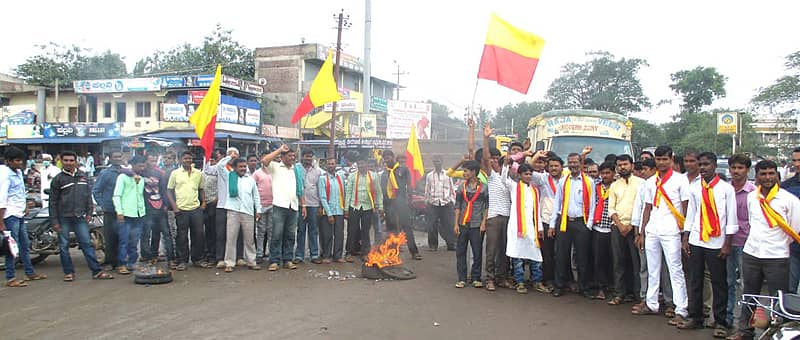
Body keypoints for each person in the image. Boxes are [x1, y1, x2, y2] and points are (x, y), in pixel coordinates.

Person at [729, 160, 800, 340]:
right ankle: (745, 331)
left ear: (777, 175)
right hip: (752, 253)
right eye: (763, 174)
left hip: (777, 256)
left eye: (771, 174)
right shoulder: (753, 197)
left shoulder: (788, 200)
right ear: (757, 175)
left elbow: (794, 228)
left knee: (778, 299)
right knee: (749, 295)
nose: (767, 178)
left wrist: (777, 243)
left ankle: (776, 333)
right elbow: (752, 223)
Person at [679, 152, 737, 338]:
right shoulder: (695, 188)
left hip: (717, 241)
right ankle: (695, 317)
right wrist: (686, 237)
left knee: (719, 282)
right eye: (701, 164)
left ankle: (720, 321)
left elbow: (731, 217)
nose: (703, 168)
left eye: (707, 164)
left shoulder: (726, 189)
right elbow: (692, 214)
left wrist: (727, 243)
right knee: (695, 279)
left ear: (714, 166)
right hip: (697, 238)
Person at [632, 145, 690, 328]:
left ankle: (681, 309)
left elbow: (686, 207)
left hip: (672, 230)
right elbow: (647, 208)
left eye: (665, 159)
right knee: (652, 268)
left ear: (671, 159)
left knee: (675, 269)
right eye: (659, 159)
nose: (662, 162)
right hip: (652, 229)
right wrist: (642, 232)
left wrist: (685, 235)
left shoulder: (681, 180)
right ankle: (651, 303)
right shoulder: (650, 182)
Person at [549, 147, 595, 297]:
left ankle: (584, 287)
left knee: (582, 257)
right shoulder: (563, 181)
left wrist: (588, 225)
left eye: (576, 162)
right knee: (561, 255)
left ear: (581, 163)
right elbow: (557, 203)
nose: (573, 165)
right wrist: (552, 224)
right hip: (564, 222)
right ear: (567, 165)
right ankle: (559, 285)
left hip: (582, 222)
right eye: (570, 163)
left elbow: (593, 204)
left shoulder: (589, 182)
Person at [1, 147, 47, 287]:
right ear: (8, 161)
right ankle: (10, 277)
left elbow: (20, 192)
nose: (20, 163)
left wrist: (26, 206)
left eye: (21, 160)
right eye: (17, 160)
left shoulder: (18, 172)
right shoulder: (4, 174)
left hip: (19, 213)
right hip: (9, 215)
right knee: (11, 247)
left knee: (25, 245)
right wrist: (1, 221)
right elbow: (2, 198)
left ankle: (30, 272)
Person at [504, 162, 547, 294]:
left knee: (536, 256)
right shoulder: (514, 187)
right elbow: (503, 178)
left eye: (530, 174)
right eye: (525, 174)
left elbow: (537, 211)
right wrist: (506, 164)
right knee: (518, 256)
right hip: (517, 228)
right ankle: (520, 282)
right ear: (519, 175)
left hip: (532, 228)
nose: (528, 176)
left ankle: (537, 282)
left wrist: (539, 228)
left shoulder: (535, 190)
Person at [607, 154, 644, 306]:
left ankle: (638, 295)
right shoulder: (614, 185)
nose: (622, 167)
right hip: (618, 227)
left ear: (632, 165)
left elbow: (643, 207)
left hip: (635, 228)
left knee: (637, 263)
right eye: (620, 165)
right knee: (619, 261)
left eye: (625, 164)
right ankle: (619, 293)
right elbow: (611, 208)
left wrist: (631, 226)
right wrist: (621, 226)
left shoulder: (641, 183)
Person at [725, 154, 755, 330]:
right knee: (728, 281)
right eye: (733, 168)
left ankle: (745, 323)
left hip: (747, 243)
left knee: (746, 284)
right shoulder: (724, 190)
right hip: (726, 243)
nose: (736, 171)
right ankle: (727, 317)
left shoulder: (753, 192)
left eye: (740, 168)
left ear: (747, 170)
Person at [480, 125, 512, 291]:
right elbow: (485, 157)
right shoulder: (491, 177)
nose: (492, 160)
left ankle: (502, 277)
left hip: (508, 217)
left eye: (495, 158)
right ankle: (490, 278)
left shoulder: (508, 176)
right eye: (490, 158)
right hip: (493, 217)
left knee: (505, 250)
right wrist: (486, 138)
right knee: (491, 250)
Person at [262, 145, 303, 271]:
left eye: (293, 156)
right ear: (283, 157)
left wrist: (303, 204)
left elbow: (300, 189)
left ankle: (287, 260)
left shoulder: (295, 169)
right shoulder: (275, 167)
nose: (292, 158)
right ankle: (274, 260)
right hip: (280, 205)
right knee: (277, 234)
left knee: (290, 235)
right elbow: (264, 160)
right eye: (289, 156)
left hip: (293, 205)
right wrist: (280, 150)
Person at [529, 151, 566, 289]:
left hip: (562, 221)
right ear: (547, 167)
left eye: (556, 166)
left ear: (562, 167)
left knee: (561, 252)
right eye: (551, 166)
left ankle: (562, 280)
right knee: (547, 253)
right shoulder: (543, 178)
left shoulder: (566, 179)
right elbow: (528, 168)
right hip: (545, 220)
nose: (553, 168)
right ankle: (548, 280)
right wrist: (536, 156)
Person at [167, 151, 208, 271]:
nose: (188, 160)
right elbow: (169, 191)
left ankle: (197, 259)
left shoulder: (198, 173)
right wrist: (174, 206)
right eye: (185, 158)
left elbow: (201, 189)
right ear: (180, 160)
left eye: (190, 158)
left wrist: (204, 202)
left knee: (199, 235)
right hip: (181, 209)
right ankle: (182, 261)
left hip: (196, 209)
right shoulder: (175, 173)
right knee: (182, 236)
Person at [221, 158, 262, 272]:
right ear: (234, 167)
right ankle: (229, 263)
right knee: (231, 238)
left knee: (249, 239)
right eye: (240, 166)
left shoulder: (250, 180)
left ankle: (251, 262)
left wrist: (258, 210)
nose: (243, 168)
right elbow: (220, 166)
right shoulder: (229, 176)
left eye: (244, 166)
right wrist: (230, 157)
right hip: (233, 211)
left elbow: (256, 196)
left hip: (248, 211)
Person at [453, 160, 488, 289]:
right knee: (460, 252)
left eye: (466, 171)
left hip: (476, 224)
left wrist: (484, 222)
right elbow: (457, 206)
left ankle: (476, 278)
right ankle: (462, 278)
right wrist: (456, 223)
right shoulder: (461, 187)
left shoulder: (484, 187)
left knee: (477, 252)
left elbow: (486, 207)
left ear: (473, 172)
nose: (464, 173)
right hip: (463, 223)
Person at [381, 150, 421, 260]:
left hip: (402, 202)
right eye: (385, 158)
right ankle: (392, 253)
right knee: (391, 229)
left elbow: (409, 185)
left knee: (407, 227)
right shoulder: (385, 174)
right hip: (389, 204)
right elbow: (383, 191)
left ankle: (414, 252)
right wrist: (383, 207)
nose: (387, 160)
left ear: (393, 157)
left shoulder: (403, 170)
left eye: (388, 157)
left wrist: (410, 198)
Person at [205, 147, 240, 269]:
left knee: (234, 234)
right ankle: (220, 258)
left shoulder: (237, 171)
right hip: (222, 205)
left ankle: (236, 257)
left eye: (235, 155)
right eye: (229, 155)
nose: (232, 157)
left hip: (235, 206)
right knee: (220, 233)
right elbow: (210, 168)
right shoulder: (222, 169)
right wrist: (230, 156)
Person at [112, 155, 147, 275]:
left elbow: (140, 196)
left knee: (134, 241)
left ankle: (132, 263)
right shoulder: (123, 177)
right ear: (133, 165)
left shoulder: (141, 179)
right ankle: (121, 264)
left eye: (143, 166)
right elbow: (117, 195)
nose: (142, 168)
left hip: (139, 214)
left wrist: (142, 212)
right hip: (126, 214)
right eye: (140, 166)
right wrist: (119, 212)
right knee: (124, 241)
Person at [344, 159, 383, 262]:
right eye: (360, 164)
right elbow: (348, 192)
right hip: (354, 206)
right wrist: (346, 209)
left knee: (365, 231)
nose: (362, 166)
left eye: (363, 164)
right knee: (352, 230)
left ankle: (365, 253)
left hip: (368, 207)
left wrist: (380, 206)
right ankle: (349, 252)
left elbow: (378, 192)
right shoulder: (352, 176)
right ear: (358, 166)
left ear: (367, 165)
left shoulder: (373, 176)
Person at [92, 151, 123, 270]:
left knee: (123, 237)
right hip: (110, 209)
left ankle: (121, 262)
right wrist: (102, 204)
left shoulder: (125, 172)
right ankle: (110, 262)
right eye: (115, 156)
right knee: (110, 237)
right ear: (110, 159)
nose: (118, 158)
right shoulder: (105, 173)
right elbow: (96, 190)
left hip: (123, 210)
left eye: (119, 156)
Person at [141, 154, 173, 267]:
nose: (153, 162)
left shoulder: (160, 174)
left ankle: (170, 259)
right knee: (146, 234)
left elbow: (164, 190)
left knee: (165, 233)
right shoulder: (141, 173)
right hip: (147, 209)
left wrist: (165, 204)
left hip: (160, 208)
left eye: (155, 160)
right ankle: (150, 257)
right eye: (151, 160)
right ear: (146, 161)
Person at [591, 161, 617, 300]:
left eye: (608, 173)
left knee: (613, 259)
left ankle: (613, 286)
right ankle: (600, 287)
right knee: (598, 259)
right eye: (603, 173)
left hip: (612, 228)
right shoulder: (596, 187)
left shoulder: (617, 187)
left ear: (613, 173)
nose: (605, 176)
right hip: (598, 227)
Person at [295, 149, 323, 264]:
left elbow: (320, 189)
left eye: (310, 157)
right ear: (302, 157)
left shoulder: (318, 171)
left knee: (313, 230)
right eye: (306, 156)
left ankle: (314, 255)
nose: (308, 159)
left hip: (314, 204)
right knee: (300, 230)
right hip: (300, 205)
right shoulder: (296, 168)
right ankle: (299, 255)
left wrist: (321, 206)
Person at [424, 155, 456, 252]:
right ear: (433, 162)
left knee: (449, 225)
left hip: (446, 203)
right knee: (431, 225)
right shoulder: (429, 175)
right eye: (435, 161)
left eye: (438, 161)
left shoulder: (448, 174)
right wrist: (427, 201)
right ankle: (433, 245)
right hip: (433, 203)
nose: (436, 163)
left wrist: (452, 201)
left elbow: (451, 188)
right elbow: (427, 189)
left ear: (442, 162)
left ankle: (451, 244)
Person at [318, 157, 346, 263]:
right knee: (327, 234)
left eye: (333, 163)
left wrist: (345, 209)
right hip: (327, 212)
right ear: (326, 166)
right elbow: (323, 197)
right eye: (329, 164)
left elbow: (344, 193)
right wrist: (329, 214)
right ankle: (326, 255)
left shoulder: (341, 177)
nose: (331, 165)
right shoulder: (323, 179)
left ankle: (338, 255)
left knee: (339, 234)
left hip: (339, 210)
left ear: (336, 165)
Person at [781, 147, 800, 294]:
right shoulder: (787, 186)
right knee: (790, 290)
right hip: (793, 245)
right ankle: (788, 317)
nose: (797, 164)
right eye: (794, 160)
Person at [253, 152, 274, 264]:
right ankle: (259, 254)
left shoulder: (274, 172)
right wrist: (257, 207)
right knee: (261, 231)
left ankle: (271, 254)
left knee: (271, 231)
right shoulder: (257, 173)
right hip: (261, 205)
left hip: (273, 205)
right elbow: (253, 189)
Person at [202, 152, 220, 266]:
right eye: (209, 160)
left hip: (214, 204)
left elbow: (222, 189)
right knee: (203, 231)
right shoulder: (201, 173)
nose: (211, 162)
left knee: (213, 231)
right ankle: (205, 254)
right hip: (203, 204)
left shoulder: (219, 173)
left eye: (213, 160)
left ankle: (213, 255)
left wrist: (217, 199)